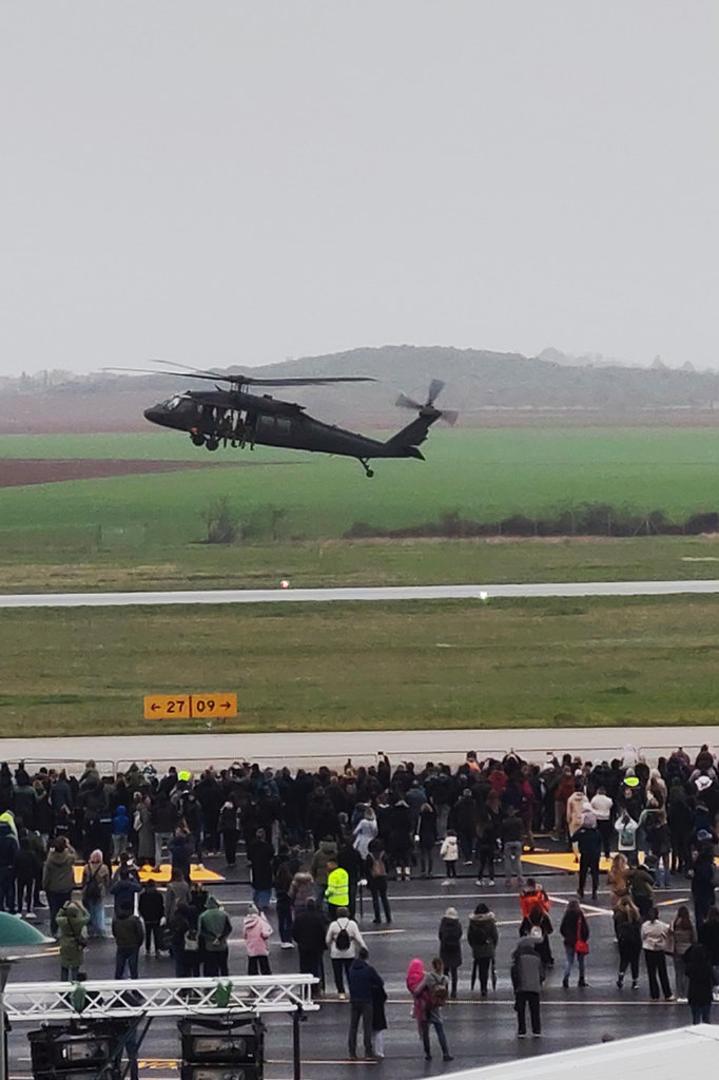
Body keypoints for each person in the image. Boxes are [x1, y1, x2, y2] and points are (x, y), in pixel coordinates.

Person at [406, 957, 453, 1063]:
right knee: (440, 1031)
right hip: (436, 1007)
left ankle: (428, 1054)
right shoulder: (445, 979)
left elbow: (418, 990)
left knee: (426, 1032)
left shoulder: (428, 977)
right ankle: (445, 1053)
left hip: (426, 1007)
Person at [347, 947, 382, 1061]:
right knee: (367, 1027)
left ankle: (352, 1052)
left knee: (353, 1027)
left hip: (354, 1000)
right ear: (366, 957)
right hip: (366, 1000)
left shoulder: (352, 969)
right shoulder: (368, 969)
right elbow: (380, 982)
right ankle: (368, 1051)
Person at [326, 906, 366, 998]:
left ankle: (341, 992)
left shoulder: (333, 924)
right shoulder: (352, 924)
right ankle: (352, 990)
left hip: (336, 953)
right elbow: (358, 938)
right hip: (349, 953)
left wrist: (330, 946)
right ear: (348, 914)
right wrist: (363, 947)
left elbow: (328, 939)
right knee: (350, 973)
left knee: (338, 974)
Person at [43, 837, 77, 937]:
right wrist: (69, 846)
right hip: (66, 887)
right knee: (66, 910)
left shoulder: (50, 860)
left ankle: (54, 931)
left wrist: (45, 886)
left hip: (53, 888)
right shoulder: (69, 858)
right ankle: (66, 930)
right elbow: (75, 855)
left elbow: (46, 876)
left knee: (54, 911)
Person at [292, 897, 327, 994]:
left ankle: (305, 989)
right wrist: (323, 944)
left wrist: (299, 941)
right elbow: (323, 932)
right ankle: (316, 989)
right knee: (316, 967)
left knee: (304, 968)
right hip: (317, 947)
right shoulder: (319, 917)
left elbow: (294, 932)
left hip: (303, 947)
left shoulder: (299, 917)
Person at [641, 906, 674, 1001]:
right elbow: (669, 932)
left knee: (656, 972)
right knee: (658, 972)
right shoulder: (662, 925)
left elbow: (642, 936)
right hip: (658, 950)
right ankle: (666, 994)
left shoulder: (645, 926)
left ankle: (655, 994)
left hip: (651, 949)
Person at [511, 936, 542, 1037]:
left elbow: (515, 973)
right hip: (534, 987)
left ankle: (522, 1030)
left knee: (521, 1010)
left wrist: (515, 986)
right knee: (535, 1011)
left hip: (521, 987)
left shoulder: (518, 957)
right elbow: (542, 974)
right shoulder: (537, 957)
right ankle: (536, 1030)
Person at [467, 903, 498, 995]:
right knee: (486, 968)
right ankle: (484, 988)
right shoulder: (490, 922)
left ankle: (480, 986)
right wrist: (493, 946)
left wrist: (474, 946)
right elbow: (495, 936)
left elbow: (470, 937)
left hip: (477, 949)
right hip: (488, 949)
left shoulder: (473, 923)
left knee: (480, 969)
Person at [571, 812, 602, 901]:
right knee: (595, 874)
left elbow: (573, 838)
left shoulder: (582, 832)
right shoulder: (596, 832)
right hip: (595, 855)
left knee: (583, 873)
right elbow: (600, 842)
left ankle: (581, 890)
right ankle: (594, 891)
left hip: (585, 854)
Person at [613, 895, 642, 989]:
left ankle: (621, 976)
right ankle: (635, 982)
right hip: (635, 939)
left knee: (624, 959)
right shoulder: (636, 913)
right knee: (635, 961)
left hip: (624, 939)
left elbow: (616, 927)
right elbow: (639, 925)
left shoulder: (618, 914)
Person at [56, 898, 88, 982]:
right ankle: (74, 983)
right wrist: (81, 907)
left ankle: (63, 987)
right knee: (75, 966)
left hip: (65, 943)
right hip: (75, 945)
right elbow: (88, 916)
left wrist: (63, 908)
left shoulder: (62, 921)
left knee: (64, 966)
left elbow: (57, 916)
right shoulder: (79, 921)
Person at [560, 899, 589, 988]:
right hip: (579, 941)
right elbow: (585, 929)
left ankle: (566, 978)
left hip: (569, 941)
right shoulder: (580, 915)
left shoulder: (566, 915)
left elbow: (562, 929)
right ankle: (581, 979)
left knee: (569, 960)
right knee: (581, 962)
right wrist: (584, 939)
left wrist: (566, 936)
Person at [199, 896, 232, 976]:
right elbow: (228, 928)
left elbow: (202, 931)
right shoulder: (224, 914)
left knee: (211, 967)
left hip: (209, 946)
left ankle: (212, 986)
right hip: (222, 945)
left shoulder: (203, 916)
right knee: (223, 966)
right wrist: (220, 938)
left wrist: (212, 938)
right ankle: (225, 985)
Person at [81, 850, 109, 939]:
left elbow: (83, 881)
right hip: (99, 891)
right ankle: (100, 929)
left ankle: (91, 930)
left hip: (88, 891)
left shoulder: (86, 867)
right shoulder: (104, 868)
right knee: (99, 910)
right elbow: (107, 881)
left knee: (89, 910)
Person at [112, 903, 145, 980]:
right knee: (133, 969)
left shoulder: (116, 920)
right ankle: (134, 988)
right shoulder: (134, 920)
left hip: (121, 945)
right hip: (133, 945)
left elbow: (114, 933)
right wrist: (138, 943)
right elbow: (140, 933)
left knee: (119, 968)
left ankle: (118, 988)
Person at [684, 941, 713, 1024]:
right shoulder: (707, 966)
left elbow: (686, 972)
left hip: (694, 994)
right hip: (706, 995)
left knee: (696, 1018)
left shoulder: (690, 966)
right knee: (706, 1018)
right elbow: (715, 978)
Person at [672, 905, 696, 1002]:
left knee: (678, 973)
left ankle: (679, 994)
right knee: (687, 974)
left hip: (677, 950)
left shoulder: (675, 924)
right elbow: (694, 939)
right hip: (688, 950)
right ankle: (686, 994)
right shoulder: (690, 924)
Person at [438, 906, 463, 999]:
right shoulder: (457, 925)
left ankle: (445, 989)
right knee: (454, 972)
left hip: (445, 950)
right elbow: (460, 934)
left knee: (445, 972)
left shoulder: (443, 924)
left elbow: (440, 935)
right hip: (455, 951)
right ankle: (454, 991)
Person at [691, 842, 716, 928]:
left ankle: (701, 933)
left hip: (699, 892)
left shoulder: (698, 864)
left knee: (699, 915)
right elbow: (710, 880)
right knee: (707, 914)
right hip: (707, 892)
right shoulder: (708, 865)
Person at [138, 879, 165, 958]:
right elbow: (161, 906)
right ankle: (157, 950)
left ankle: (148, 949)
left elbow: (141, 906)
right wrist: (161, 915)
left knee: (148, 934)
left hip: (147, 917)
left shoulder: (143, 895)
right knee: (157, 934)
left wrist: (143, 915)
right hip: (156, 917)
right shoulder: (158, 895)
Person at [243, 903, 272, 975]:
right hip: (261, 945)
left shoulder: (246, 922)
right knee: (264, 963)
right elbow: (265, 933)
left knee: (252, 963)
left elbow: (244, 934)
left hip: (251, 946)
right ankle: (266, 977)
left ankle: (252, 976)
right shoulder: (261, 921)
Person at [366, 845, 392, 924]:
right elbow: (387, 866)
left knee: (375, 899)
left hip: (374, 879)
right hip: (383, 878)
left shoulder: (370, 856)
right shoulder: (383, 855)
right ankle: (388, 917)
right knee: (384, 898)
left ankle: (378, 917)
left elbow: (367, 868)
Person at [500, 807, 523, 887]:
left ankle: (508, 880)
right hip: (517, 841)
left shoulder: (505, 822)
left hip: (508, 842)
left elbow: (502, 833)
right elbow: (521, 831)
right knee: (517, 861)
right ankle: (520, 878)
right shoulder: (519, 821)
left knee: (507, 861)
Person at [590, 785, 614, 859]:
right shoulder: (609, 800)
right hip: (606, 820)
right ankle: (607, 854)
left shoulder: (594, 799)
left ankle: (597, 853)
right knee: (606, 839)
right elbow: (611, 805)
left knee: (597, 839)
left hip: (597, 820)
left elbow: (592, 806)